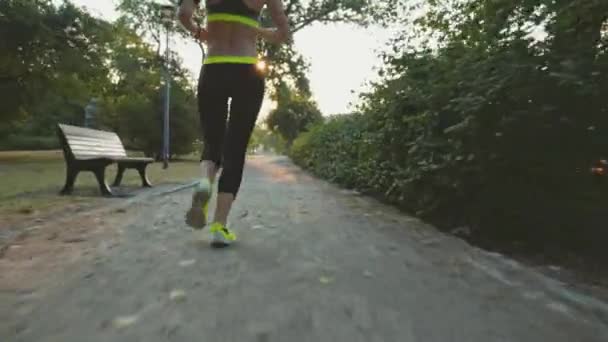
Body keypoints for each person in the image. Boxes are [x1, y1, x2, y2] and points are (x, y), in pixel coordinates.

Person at [178, 0, 289, 247]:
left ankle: (205, 180)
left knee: (212, 139)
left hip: (214, 67)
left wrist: (200, 32)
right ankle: (219, 226)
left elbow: (184, 14)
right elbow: (283, 34)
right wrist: (257, 30)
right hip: (248, 71)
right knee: (235, 149)